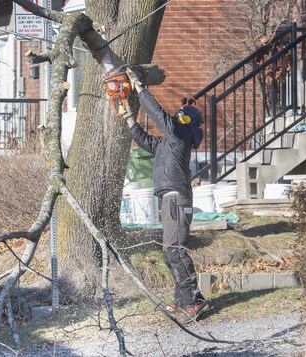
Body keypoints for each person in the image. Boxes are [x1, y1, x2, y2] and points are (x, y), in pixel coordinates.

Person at [122, 67, 208, 323]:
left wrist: (141, 90)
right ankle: (183, 300)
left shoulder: (180, 135)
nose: (174, 117)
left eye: (179, 116)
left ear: (185, 122)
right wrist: (129, 119)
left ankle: (193, 301)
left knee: (176, 251)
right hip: (169, 198)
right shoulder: (170, 142)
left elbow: (159, 115)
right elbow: (146, 140)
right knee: (170, 252)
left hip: (176, 198)